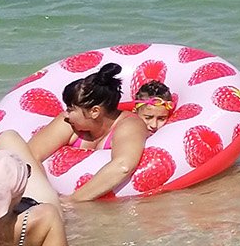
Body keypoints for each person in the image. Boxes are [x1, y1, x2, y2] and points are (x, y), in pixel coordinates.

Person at [22, 63, 151, 203]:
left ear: (94, 112)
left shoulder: (130, 125)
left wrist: (71, 200)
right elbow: (30, 155)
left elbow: (123, 166)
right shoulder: (69, 123)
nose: (66, 114)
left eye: (71, 109)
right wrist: (47, 195)